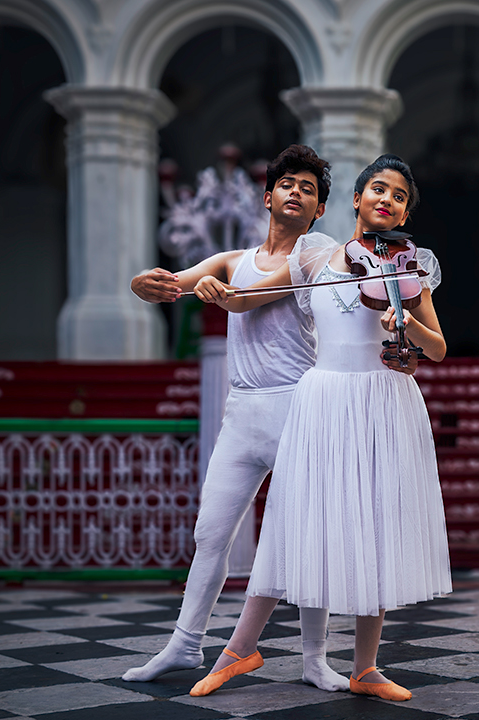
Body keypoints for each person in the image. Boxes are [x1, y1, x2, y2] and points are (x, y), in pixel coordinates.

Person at [123, 145, 415, 691]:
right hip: (241, 411)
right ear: (267, 196)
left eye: (308, 188)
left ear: (320, 209)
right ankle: (184, 645)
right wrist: (147, 283)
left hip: (298, 408)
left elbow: (242, 299)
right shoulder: (231, 259)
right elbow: (172, 282)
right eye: (287, 184)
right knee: (211, 532)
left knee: (303, 533)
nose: (296, 192)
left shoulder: (318, 253)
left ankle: (314, 659)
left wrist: (219, 294)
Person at [189, 154, 451, 701]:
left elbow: (437, 348)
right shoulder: (313, 257)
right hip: (323, 400)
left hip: (382, 402)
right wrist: (213, 288)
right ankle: (239, 650)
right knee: (292, 519)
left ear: (404, 212)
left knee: (375, 526)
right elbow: (247, 298)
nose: (387, 200)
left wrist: (406, 324)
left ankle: (365, 668)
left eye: (399, 196)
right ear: (356, 199)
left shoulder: (410, 267)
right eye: (378, 189)